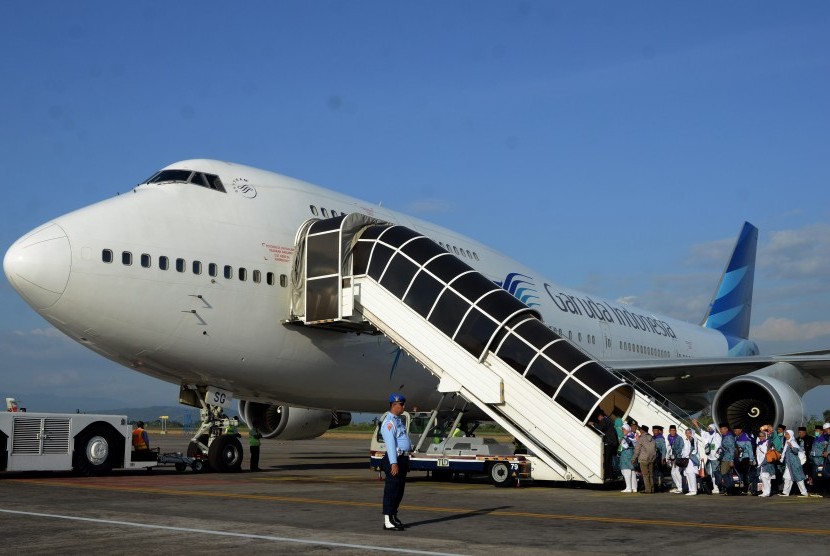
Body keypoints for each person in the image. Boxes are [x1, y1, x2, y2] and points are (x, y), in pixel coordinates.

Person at [380, 393, 412, 531]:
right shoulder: (389, 422)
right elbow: (391, 444)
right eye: (402, 404)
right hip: (395, 459)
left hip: (402, 458)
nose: (404, 406)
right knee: (392, 490)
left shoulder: (398, 420)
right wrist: (394, 463)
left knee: (399, 490)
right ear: (394, 405)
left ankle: (393, 515)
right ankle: (388, 520)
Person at [692, 419, 721, 494]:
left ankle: (716, 487)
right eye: (708, 428)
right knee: (708, 472)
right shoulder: (707, 434)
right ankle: (712, 487)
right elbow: (700, 431)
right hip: (709, 457)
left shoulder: (717, 435)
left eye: (711, 428)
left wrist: (718, 456)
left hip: (715, 458)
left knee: (715, 472)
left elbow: (719, 446)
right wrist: (696, 424)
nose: (709, 429)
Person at [591, 409, 619, 481]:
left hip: (609, 443)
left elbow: (601, 427)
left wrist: (593, 424)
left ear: (600, 416)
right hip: (613, 443)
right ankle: (611, 476)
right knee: (609, 460)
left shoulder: (604, 420)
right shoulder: (609, 420)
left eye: (598, 418)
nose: (599, 420)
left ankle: (607, 475)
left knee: (606, 460)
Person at [779, 429, 809, 497]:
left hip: (794, 463)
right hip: (789, 464)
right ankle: (785, 492)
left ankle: (804, 492)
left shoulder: (792, 442)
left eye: (787, 434)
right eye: (785, 434)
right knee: (787, 478)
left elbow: (796, 451)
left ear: (791, 435)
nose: (786, 436)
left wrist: (791, 446)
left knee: (798, 478)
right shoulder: (787, 442)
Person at [633, 425, 657, 493]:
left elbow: (637, 450)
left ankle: (648, 489)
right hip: (651, 459)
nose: (639, 431)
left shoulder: (641, 438)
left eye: (640, 430)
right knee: (651, 475)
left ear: (642, 430)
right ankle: (652, 489)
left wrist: (633, 459)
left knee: (645, 475)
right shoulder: (652, 438)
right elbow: (655, 448)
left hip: (643, 459)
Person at [734, 426, 755, 494]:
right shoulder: (736, 438)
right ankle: (741, 487)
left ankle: (746, 488)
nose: (735, 432)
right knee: (740, 474)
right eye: (734, 431)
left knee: (746, 474)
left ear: (740, 430)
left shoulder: (746, 439)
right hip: (738, 458)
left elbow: (750, 450)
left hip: (745, 458)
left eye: (736, 430)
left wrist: (751, 459)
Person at [755, 429, 776, 497]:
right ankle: (765, 491)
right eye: (760, 436)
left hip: (766, 462)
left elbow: (770, 451)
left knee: (765, 477)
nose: (761, 437)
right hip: (760, 462)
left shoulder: (768, 443)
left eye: (763, 436)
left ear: (765, 436)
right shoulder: (759, 444)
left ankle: (767, 492)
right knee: (763, 477)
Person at [680, 428, 700, 495]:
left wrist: (687, 454)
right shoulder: (686, 440)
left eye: (689, 433)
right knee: (688, 474)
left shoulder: (692, 439)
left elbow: (693, 449)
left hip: (691, 460)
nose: (687, 434)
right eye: (686, 433)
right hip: (686, 459)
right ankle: (691, 490)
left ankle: (694, 490)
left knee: (691, 474)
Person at [719, 423, 737, 494]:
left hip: (728, 459)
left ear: (726, 429)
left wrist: (731, 460)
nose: (721, 430)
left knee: (724, 474)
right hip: (724, 458)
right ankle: (730, 489)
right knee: (727, 474)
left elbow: (732, 449)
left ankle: (729, 489)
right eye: (720, 429)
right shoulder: (724, 436)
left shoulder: (728, 437)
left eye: (722, 429)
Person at [618, 424, 636, 493]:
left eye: (624, 429)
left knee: (626, 471)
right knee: (632, 471)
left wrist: (622, 440)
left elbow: (625, 446)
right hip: (630, 454)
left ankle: (628, 488)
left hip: (626, 455)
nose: (622, 430)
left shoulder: (627, 437)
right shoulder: (631, 435)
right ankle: (634, 487)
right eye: (622, 429)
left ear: (627, 429)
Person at [666, 425, 683, 493]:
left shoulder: (679, 438)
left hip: (677, 457)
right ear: (669, 431)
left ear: (676, 431)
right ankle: (678, 486)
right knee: (673, 473)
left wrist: (675, 454)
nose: (672, 432)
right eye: (671, 430)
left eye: (674, 430)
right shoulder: (668, 438)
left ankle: (681, 487)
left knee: (677, 472)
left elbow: (681, 448)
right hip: (671, 458)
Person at [652, 425, 668, 492]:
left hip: (659, 458)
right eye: (654, 430)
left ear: (658, 431)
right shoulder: (652, 438)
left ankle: (660, 486)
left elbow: (664, 449)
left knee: (660, 473)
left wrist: (663, 458)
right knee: (654, 473)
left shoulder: (661, 439)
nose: (655, 432)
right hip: (653, 458)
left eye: (656, 431)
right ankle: (655, 485)